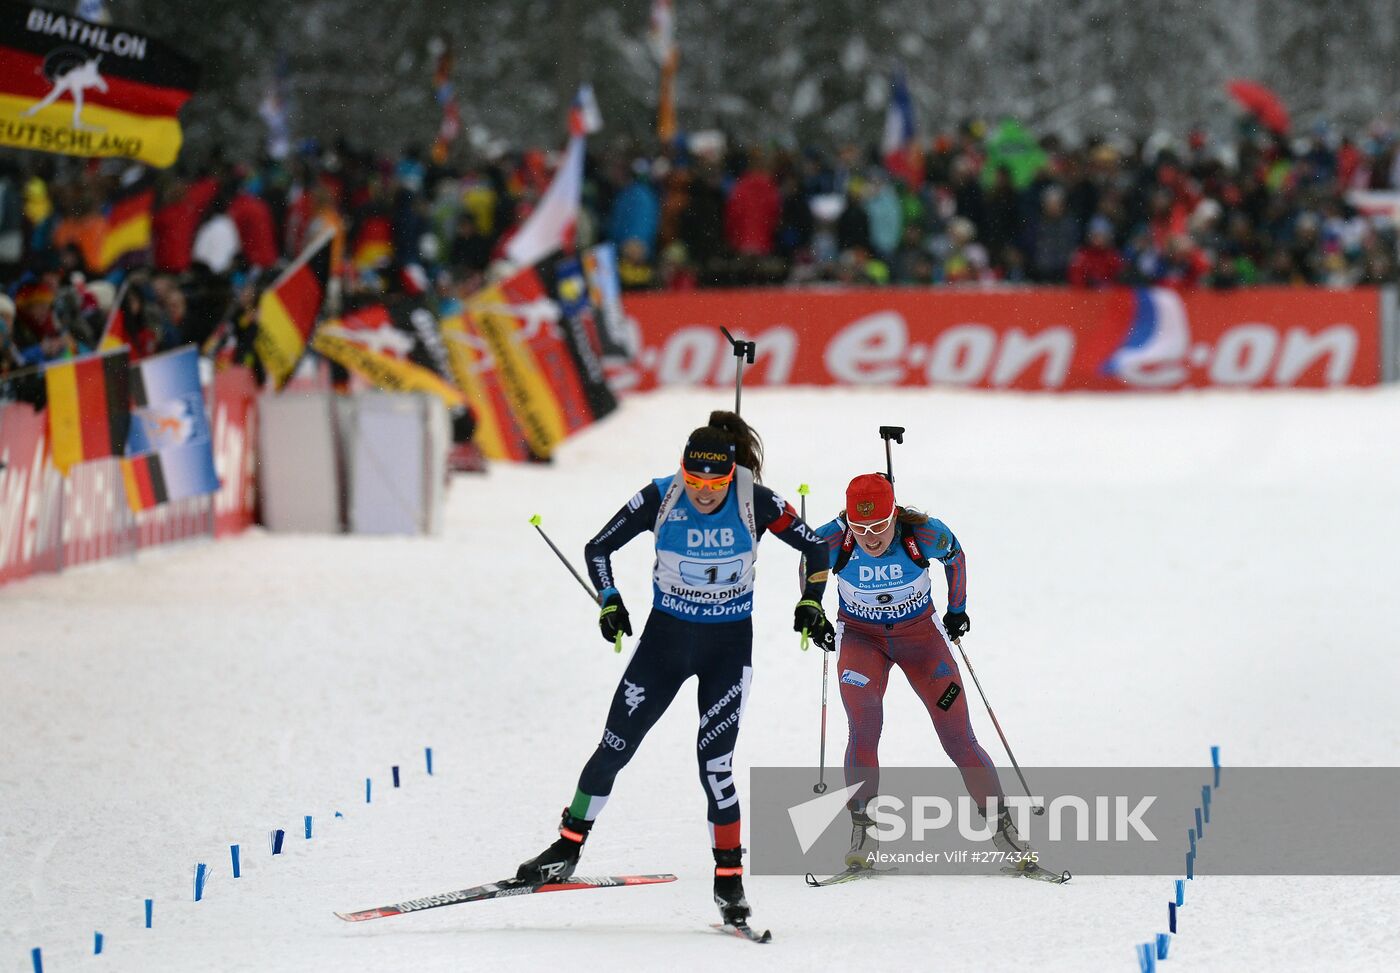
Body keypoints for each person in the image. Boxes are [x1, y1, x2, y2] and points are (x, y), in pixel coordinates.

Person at [515, 411, 835, 927]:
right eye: (694, 481)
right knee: (614, 748)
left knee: (715, 766)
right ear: (681, 472)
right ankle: (565, 849)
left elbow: (816, 545)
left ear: (732, 474)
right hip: (663, 645)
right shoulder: (659, 497)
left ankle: (729, 882)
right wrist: (610, 601)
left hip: (727, 651)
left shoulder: (757, 500)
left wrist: (811, 601)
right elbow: (598, 547)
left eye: (716, 482)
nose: (705, 492)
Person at [813, 472, 1032, 872]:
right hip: (862, 642)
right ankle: (861, 832)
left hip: (922, 643)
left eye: (880, 526)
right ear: (847, 519)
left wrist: (958, 608)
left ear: (894, 514)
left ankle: (1005, 832)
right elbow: (809, 566)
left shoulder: (925, 533)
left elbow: (956, 557)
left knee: (958, 736)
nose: (872, 538)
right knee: (863, 729)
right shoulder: (832, 539)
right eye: (861, 528)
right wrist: (813, 611)